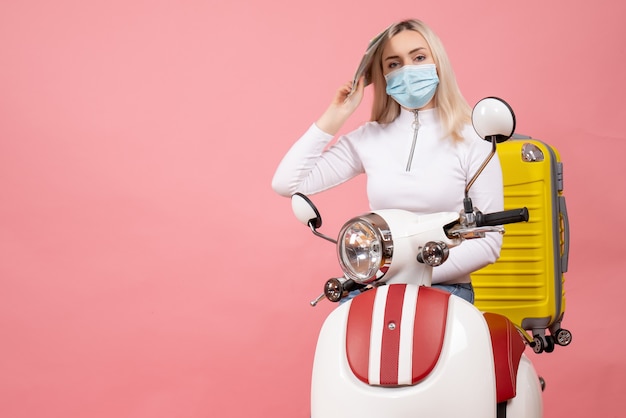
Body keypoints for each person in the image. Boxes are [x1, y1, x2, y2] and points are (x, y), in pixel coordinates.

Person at [271, 19, 503, 304]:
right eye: (393, 64)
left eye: (418, 58)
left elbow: (489, 243)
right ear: (382, 77)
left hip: (444, 290)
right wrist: (336, 114)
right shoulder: (369, 138)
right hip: (378, 288)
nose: (407, 70)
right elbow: (287, 183)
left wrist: (409, 272)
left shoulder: (474, 138)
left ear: (437, 63)